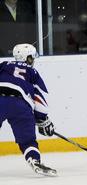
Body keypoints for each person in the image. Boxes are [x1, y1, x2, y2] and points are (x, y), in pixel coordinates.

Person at [0, 43, 57, 177]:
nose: (33, 60)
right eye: (31, 57)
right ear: (27, 58)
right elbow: (38, 97)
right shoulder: (33, 72)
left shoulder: (3, 65)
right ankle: (34, 160)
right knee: (28, 140)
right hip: (21, 105)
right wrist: (43, 119)